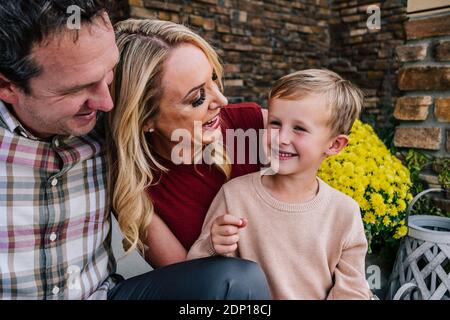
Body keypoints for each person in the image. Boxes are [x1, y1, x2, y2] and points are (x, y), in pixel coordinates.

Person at [0, 0, 270, 300]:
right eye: (78, 89)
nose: (107, 104)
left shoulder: (103, 131)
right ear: (7, 86)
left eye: (109, 74)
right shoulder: (132, 173)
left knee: (234, 280)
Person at [188, 69, 372, 300]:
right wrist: (214, 245)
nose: (281, 138)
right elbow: (199, 277)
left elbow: (352, 291)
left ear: (335, 145)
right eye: (275, 123)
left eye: (299, 128)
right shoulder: (235, 195)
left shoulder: (344, 212)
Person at [106, 18, 269, 269]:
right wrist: (208, 245)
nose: (222, 100)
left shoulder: (252, 124)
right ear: (144, 118)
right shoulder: (136, 192)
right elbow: (192, 285)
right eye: (197, 98)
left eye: (213, 79)